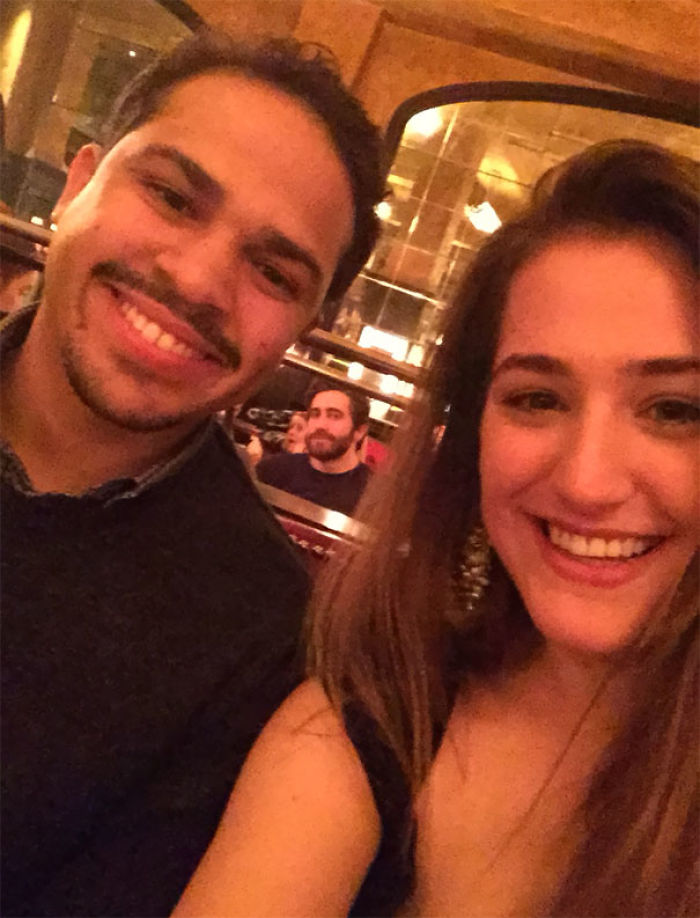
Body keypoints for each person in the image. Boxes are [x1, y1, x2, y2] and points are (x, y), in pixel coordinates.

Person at [174, 139, 699, 918]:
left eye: (675, 410)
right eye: (537, 399)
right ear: (471, 432)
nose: (587, 482)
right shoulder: (365, 734)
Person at [0, 28, 384, 917]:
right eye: (172, 197)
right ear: (78, 184)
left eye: (273, 272)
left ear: (304, 333)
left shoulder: (265, 649)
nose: (201, 279)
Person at [256, 385, 371, 515]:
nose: (320, 425)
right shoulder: (272, 469)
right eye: (315, 415)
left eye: (334, 416)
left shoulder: (371, 493)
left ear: (359, 431)